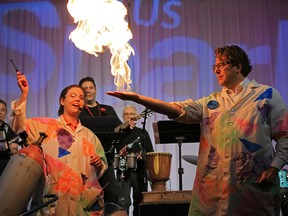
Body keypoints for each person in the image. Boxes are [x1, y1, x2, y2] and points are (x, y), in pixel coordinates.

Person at [107, 45, 288, 215]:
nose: (216, 70)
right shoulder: (212, 102)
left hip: (251, 191)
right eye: (214, 66)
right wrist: (139, 99)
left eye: (221, 64)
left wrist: (274, 167)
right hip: (212, 194)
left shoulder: (266, 95)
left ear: (238, 66)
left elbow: (285, 137)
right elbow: (178, 110)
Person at [10, 72, 108, 215]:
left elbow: (102, 165)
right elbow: (19, 127)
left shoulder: (90, 136)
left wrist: (99, 164)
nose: (78, 100)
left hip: (82, 205)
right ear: (62, 101)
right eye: (73, 96)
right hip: (51, 202)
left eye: (81, 98)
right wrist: (24, 94)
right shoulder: (45, 126)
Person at [78, 76, 122, 205]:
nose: (88, 91)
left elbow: (118, 130)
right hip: (84, 161)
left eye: (91, 88)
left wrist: (127, 126)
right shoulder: (78, 111)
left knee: (111, 195)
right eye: (85, 88)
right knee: (87, 198)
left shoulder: (108, 110)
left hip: (106, 159)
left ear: (95, 90)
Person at [115, 105, 154, 216]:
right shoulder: (119, 133)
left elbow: (150, 152)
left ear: (136, 116)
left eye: (132, 114)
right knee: (123, 202)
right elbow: (115, 150)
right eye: (126, 114)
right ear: (123, 117)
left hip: (140, 170)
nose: (129, 116)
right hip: (123, 170)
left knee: (139, 200)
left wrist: (143, 156)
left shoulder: (142, 133)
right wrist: (121, 153)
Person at [0, 99, 20, 175]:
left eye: (3, 110)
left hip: (3, 169)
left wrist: (3, 147)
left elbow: (14, 150)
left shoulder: (9, 130)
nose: (0, 113)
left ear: (5, 113)